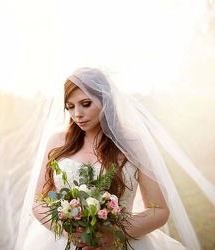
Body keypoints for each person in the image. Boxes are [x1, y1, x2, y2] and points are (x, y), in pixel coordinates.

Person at [15, 67, 214, 250]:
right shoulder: (58, 141)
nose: (77, 114)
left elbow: (159, 210)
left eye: (86, 104)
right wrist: (71, 231)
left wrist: (114, 233)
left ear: (106, 100)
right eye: (70, 106)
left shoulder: (133, 143)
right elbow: (39, 203)